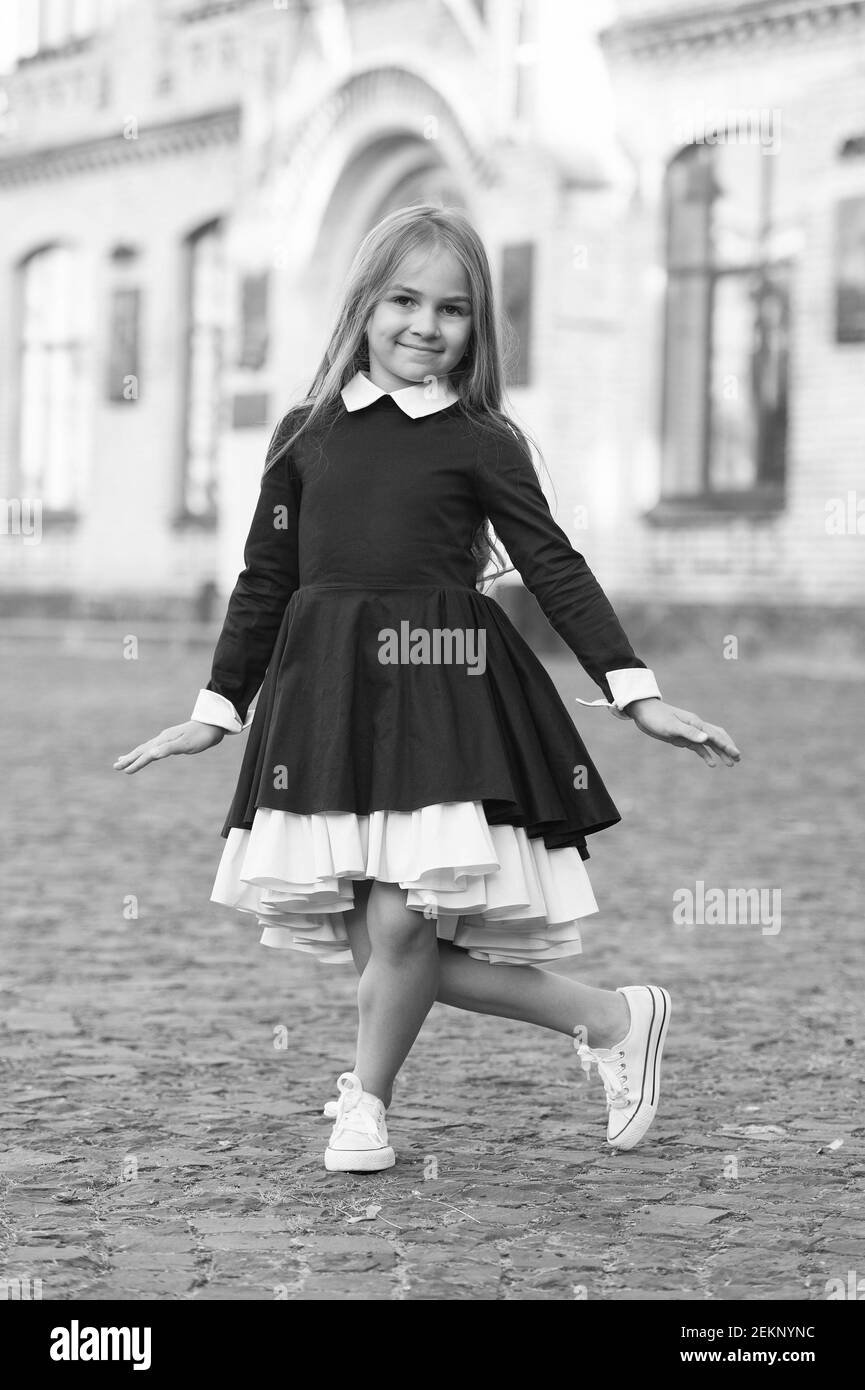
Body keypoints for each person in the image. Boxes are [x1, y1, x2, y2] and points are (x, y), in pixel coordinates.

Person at [114, 204, 740, 1173]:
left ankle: (364, 1105)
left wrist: (634, 691)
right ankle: (614, 1016)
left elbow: (553, 564)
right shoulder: (303, 435)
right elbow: (265, 579)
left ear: (476, 327)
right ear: (364, 304)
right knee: (387, 947)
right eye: (404, 299)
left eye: (452, 309)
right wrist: (215, 710)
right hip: (327, 703)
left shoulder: (483, 439)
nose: (425, 324)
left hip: (443, 692)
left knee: (405, 920)